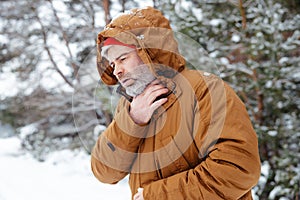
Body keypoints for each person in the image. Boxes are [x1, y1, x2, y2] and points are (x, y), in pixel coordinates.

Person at [91, 6, 261, 200]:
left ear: (151, 52)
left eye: (123, 58)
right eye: (113, 64)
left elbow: (238, 169)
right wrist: (133, 120)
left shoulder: (205, 90)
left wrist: (155, 196)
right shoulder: (131, 105)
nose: (116, 71)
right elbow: (104, 172)